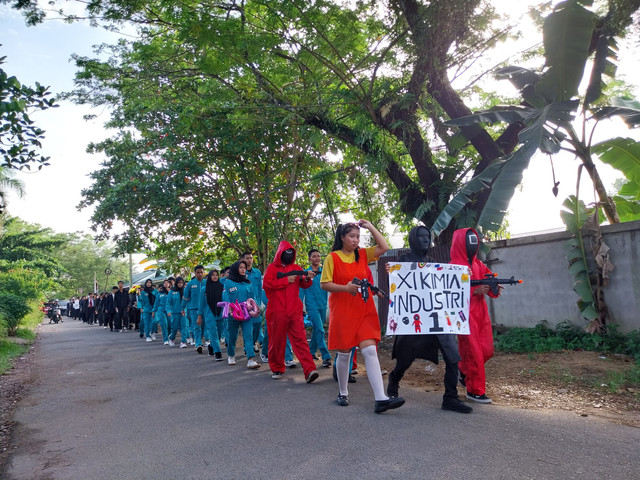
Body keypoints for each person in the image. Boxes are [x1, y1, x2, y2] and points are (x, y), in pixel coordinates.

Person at [386, 225, 472, 413]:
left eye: (428, 236)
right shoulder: (405, 260)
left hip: (437, 319)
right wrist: (392, 271)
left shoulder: (433, 262)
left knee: (452, 357)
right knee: (404, 360)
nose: (426, 240)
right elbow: (399, 285)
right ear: (413, 239)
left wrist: (463, 278)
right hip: (416, 323)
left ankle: (450, 397)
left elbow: (446, 283)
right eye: (422, 237)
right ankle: (393, 380)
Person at [321, 220, 405, 413]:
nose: (355, 240)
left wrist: (370, 227)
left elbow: (384, 247)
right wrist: (346, 288)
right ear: (342, 237)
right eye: (352, 236)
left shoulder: (362, 254)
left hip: (364, 310)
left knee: (370, 351)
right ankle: (343, 392)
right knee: (344, 354)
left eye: (358, 236)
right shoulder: (332, 258)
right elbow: (324, 284)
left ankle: (381, 399)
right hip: (342, 311)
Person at [450, 227, 502, 404]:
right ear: (460, 244)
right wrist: (474, 290)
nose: (472, 245)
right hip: (464, 315)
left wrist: (493, 286)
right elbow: (449, 291)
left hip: (482, 313)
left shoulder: (478, 264)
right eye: (468, 242)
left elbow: (489, 277)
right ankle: (475, 391)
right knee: (474, 353)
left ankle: (463, 370)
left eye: (474, 241)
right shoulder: (452, 267)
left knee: (487, 350)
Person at [263, 241, 319, 383]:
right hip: (276, 311)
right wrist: (285, 280)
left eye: (291, 253)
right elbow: (267, 284)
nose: (289, 255)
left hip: (294, 311)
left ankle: (309, 370)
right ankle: (277, 367)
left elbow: (304, 283)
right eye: (286, 252)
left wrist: (307, 277)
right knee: (277, 341)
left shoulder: (296, 267)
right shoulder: (271, 268)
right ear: (279, 253)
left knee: (301, 340)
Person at [222, 260, 260, 369]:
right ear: (235, 269)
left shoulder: (247, 282)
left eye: (244, 267)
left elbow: (253, 298)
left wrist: (256, 308)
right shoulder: (229, 282)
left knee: (248, 335)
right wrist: (229, 309)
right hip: (233, 313)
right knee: (233, 336)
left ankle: (251, 359)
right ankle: (231, 355)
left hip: (246, 314)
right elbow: (227, 297)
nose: (244, 269)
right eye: (241, 267)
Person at [300, 249, 331, 368]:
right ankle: (326, 357)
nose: (317, 258)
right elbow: (301, 290)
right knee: (320, 329)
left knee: (317, 330)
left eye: (318, 256)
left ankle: (311, 352)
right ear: (309, 259)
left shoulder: (324, 273)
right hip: (311, 306)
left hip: (322, 305)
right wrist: (300, 307)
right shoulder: (305, 273)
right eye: (314, 256)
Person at [198, 270, 225, 361]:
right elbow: (201, 304)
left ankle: (211, 346)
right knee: (213, 334)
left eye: (216, 275)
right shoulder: (204, 289)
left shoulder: (222, 287)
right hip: (209, 314)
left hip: (220, 313)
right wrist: (199, 316)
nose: (215, 277)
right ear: (209, 277)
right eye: (213, 275)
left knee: (220, 333)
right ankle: (217, 353)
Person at [241, 251, 263, 352]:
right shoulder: (240, 273)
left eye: (251, 258)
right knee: (247, 327)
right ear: (243, 260)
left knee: (257, 323)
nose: (249, 260)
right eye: (247, 258)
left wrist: (258, 301)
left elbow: (259, 288)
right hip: (244, 304)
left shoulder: (257, 272)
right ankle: (247, 347)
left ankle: (253, 342)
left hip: (255, 304)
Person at [183, 265, 206, 352]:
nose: (200, 274)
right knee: (196, 326)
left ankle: (201, 338)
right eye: (198, 272)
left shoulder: (207, 283)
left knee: (203, 326)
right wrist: (183, 307)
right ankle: (198, 344)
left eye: (201, 272)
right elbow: (185, 297)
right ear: (195, 273)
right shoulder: (190, 284)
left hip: (205, 309)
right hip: (193, 309)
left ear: (203, 273)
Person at [167, 277, 188, 348]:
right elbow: (168, 303)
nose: (180, 284)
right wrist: (169, 311)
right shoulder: (171, 292)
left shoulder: (185, 291)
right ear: (176, 283)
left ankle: (183, 342)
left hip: (183, 312)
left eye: (182, 283)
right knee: (175, 327)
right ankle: (172, 338)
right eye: (179, 283)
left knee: (184, 327)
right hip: (175, 312)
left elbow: (188, 301)